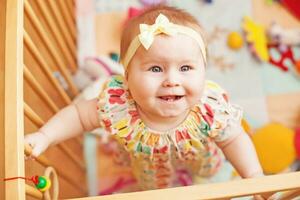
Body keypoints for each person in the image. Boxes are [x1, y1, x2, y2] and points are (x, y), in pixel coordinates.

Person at [25, 5, 268, 199]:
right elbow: (79, 116)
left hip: (202, 158)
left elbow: (234, 138)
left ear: (204, 71)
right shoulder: (118, 106)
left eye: (185, 67)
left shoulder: (209, 107)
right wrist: (45, 136)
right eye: (155, 68)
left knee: (206, 174)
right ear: (127, 77)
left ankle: (199, 178)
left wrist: (254, 174)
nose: (172, 80)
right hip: (149, 167)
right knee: (154, 188)